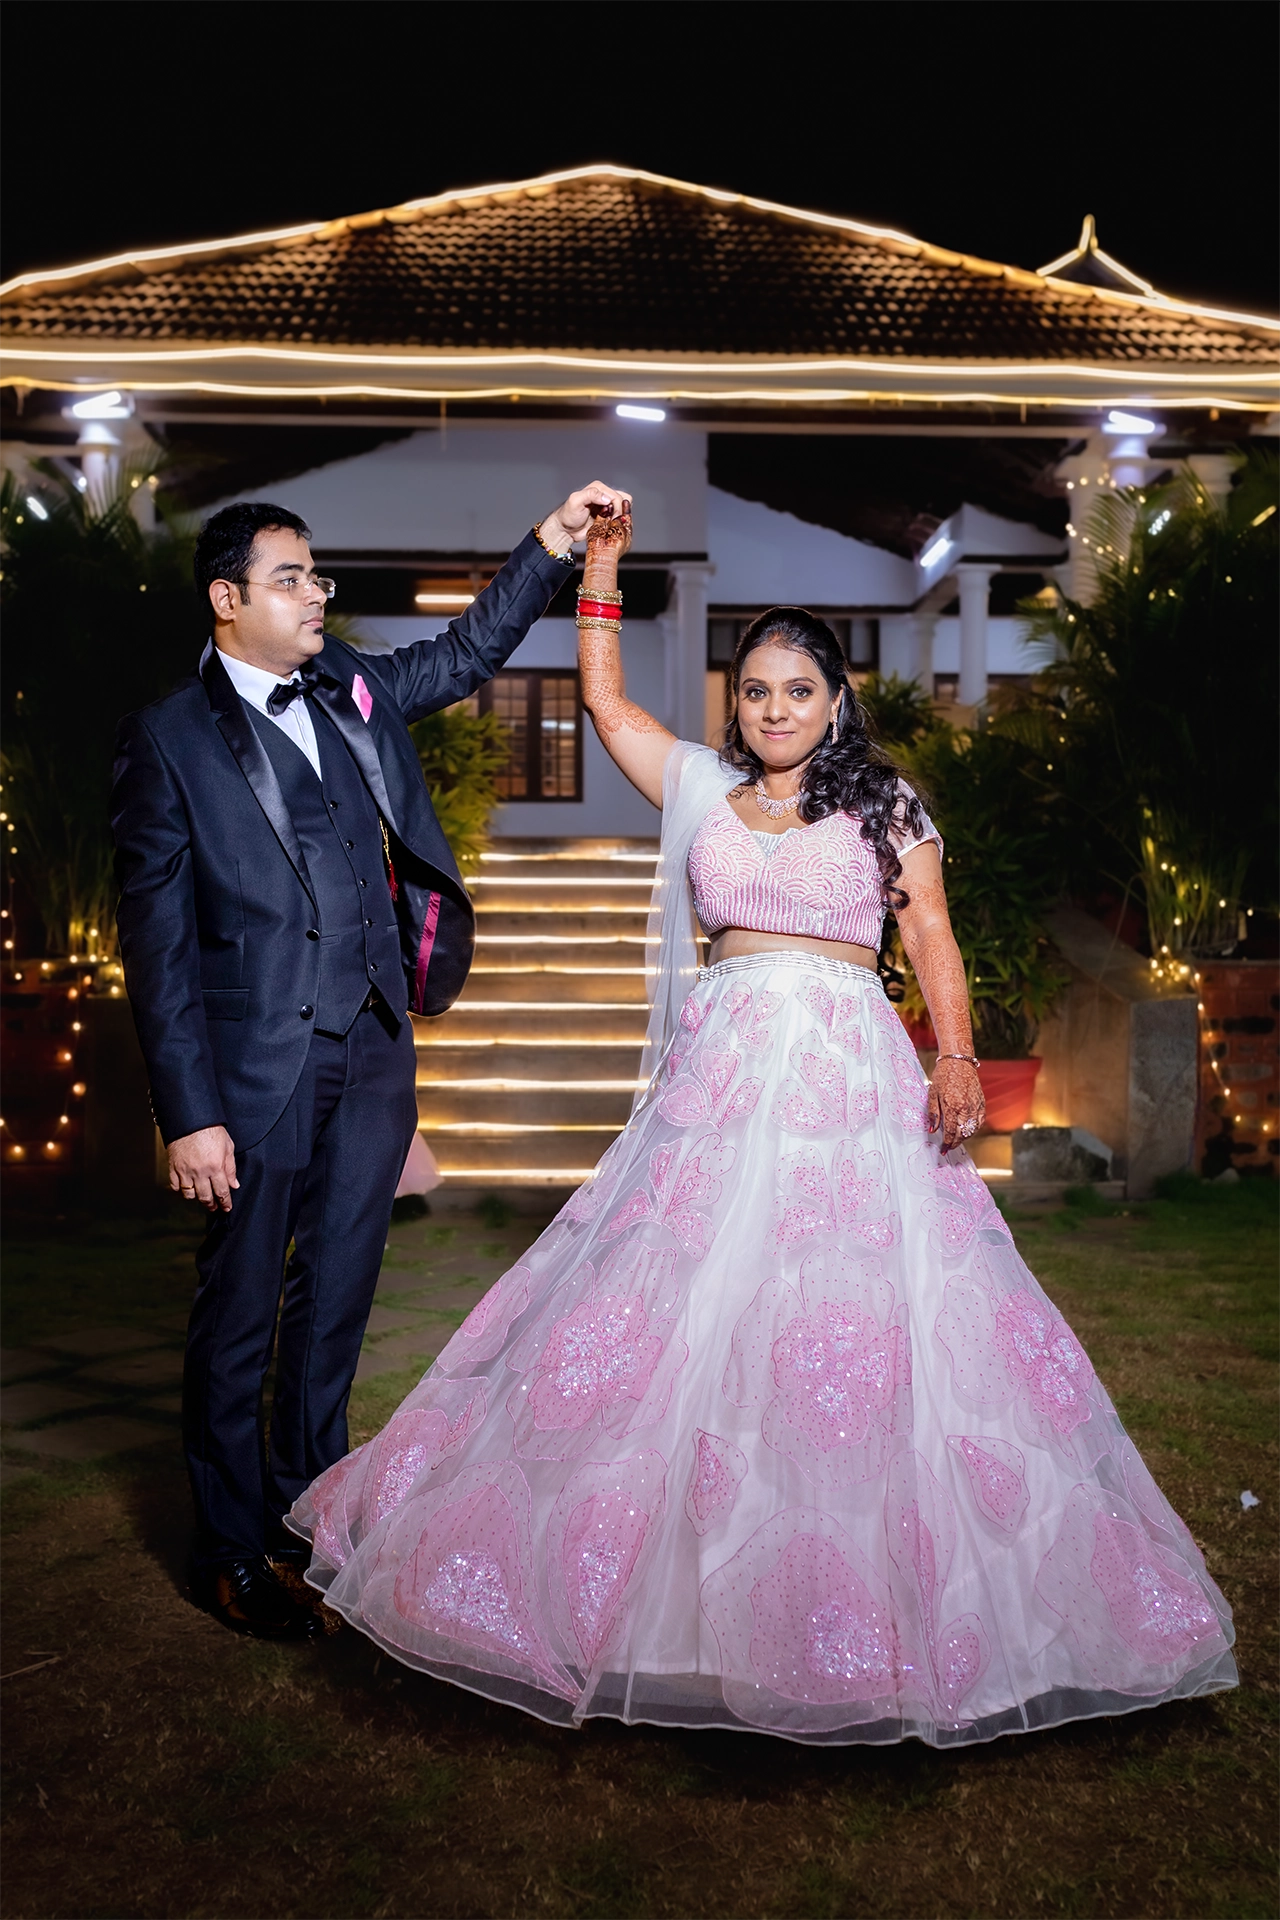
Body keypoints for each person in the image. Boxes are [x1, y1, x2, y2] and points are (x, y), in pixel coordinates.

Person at [288, 506, 1236, 1743]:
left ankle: (874, 1617)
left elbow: (929, 933)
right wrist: (603, 568)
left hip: (846, 1088)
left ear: (835, 702)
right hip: (719, 1085)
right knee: (674, 1317)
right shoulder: (702, 788)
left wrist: (954, 1054)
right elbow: (605, 703)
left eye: (797, 690)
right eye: (754, 691)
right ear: (733, 705)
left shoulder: (884, 804)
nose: (774, 708)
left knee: (846, 1324)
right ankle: (661, 1612)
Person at [112, 484, 631, 1639]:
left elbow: (463, 654)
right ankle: (228, 1548)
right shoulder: (167, 738)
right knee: (238, 1314)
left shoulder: (346, 683)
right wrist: (187, 1113)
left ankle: (309, 1520)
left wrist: (552, 544)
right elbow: (156, 947)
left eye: (316, 576)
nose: (315, 595)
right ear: (227, 598)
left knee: (335, 1304)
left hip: (374, 1053)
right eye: (290, 578)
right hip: (255, 1071)